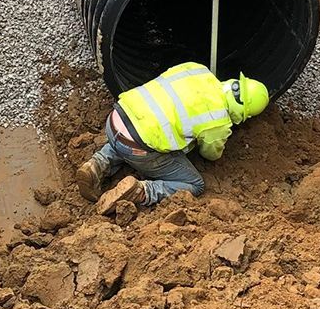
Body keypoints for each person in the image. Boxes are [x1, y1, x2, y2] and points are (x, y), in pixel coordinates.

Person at [76, 60, 270, 208]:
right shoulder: (219, 120)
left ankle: (96, 164)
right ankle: (141, 192)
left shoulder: (197, 68)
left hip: (116, 119)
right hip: (139, 148)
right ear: (243, 113)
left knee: (135, 133)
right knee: (194, 184)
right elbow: (211, 154)